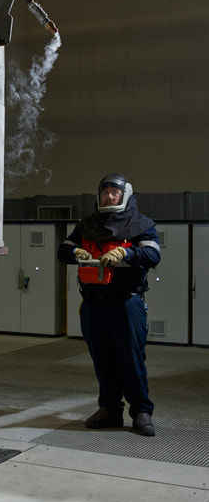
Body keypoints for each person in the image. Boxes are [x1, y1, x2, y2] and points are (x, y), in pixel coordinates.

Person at [58, 173, 160, 436]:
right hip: (93, 304)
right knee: (102, 359)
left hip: (127, 303)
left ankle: (141, 411)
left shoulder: (142, 224)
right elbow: (63, 250)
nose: (109, 196)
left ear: (125, 195)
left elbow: (152, 254)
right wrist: (74, 252)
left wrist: (126, 252)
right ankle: (110, 409)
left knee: (131, 360)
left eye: (114, 192)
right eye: (104, 192)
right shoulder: (87, 225)